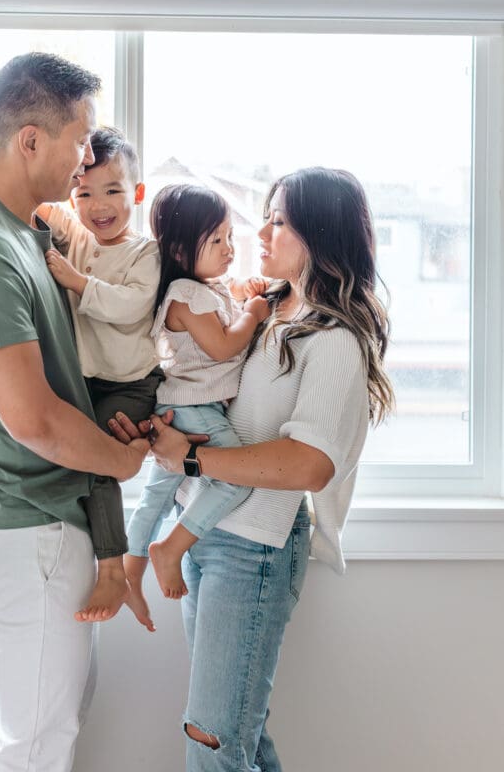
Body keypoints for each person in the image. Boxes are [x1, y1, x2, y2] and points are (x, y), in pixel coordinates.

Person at [111, 167, 394, 772]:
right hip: (207, 539)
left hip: (254, 551)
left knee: (212, 739)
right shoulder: (272, 310)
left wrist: (190, 457)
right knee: (239, 736)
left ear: (319, 233)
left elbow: (311, 463)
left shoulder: (336, 338)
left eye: (280, 220)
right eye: (264, 215)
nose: (260, 231)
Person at [0, 52, 150, 772]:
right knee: (31, 748)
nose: (86, 159)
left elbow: (63, 382)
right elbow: (32, 419)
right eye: (79, 140)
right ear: (30, 140)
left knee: (49, 735)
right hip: (29, 531)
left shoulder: (26, 235)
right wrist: (119, 459)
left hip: (49, 527)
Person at [34, 126, 163, 629]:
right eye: (84, 193)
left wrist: (76, 280)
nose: (98, 205)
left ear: (136, 193)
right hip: (87, 384)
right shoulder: (81, 237)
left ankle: (113, 568)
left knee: (100, 460)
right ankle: (92, 556)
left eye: (112, 191)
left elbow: (131, 306)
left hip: (131, 384)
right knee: (81, 459)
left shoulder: (143, 253)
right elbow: (41, 204)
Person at [124, 183, 270, 615]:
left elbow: (226, 300)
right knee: (235, 476)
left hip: (181, 407)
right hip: (195, 410)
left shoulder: (204, 290)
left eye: (229, 236)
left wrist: (244, 294)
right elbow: (224, 346)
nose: (229, 248)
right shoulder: (187, 296)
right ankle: (170, 548)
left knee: (158, 494)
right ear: (182, 252)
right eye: (216, 240)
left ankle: (130, 568)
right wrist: (254, 314)